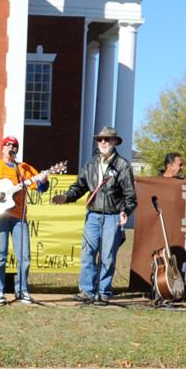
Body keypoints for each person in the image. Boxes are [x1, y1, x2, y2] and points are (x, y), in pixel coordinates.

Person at [55, 128, 136, 305]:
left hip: (113, 216)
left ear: (115, 142)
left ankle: (104, 292)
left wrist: (125, 211)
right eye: (100, 140)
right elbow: (79, 187)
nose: (103, 143)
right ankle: (87, 291)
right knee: (87, 253)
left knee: (107, 255)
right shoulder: (90, 165)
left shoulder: (122, 165)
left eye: (107, 139)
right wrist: (66, 197)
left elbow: (130, 196)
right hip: (93, 215)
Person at [0, 136, 51, 305]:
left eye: (14, 145)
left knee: (24, 255)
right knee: (0, 255)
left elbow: (41, 188)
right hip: (0, 217)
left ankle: (22, 290)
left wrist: (43, 180)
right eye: (7, 144)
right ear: (2, 148)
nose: (10, 147)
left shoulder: (24, 169)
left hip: (19, 217)